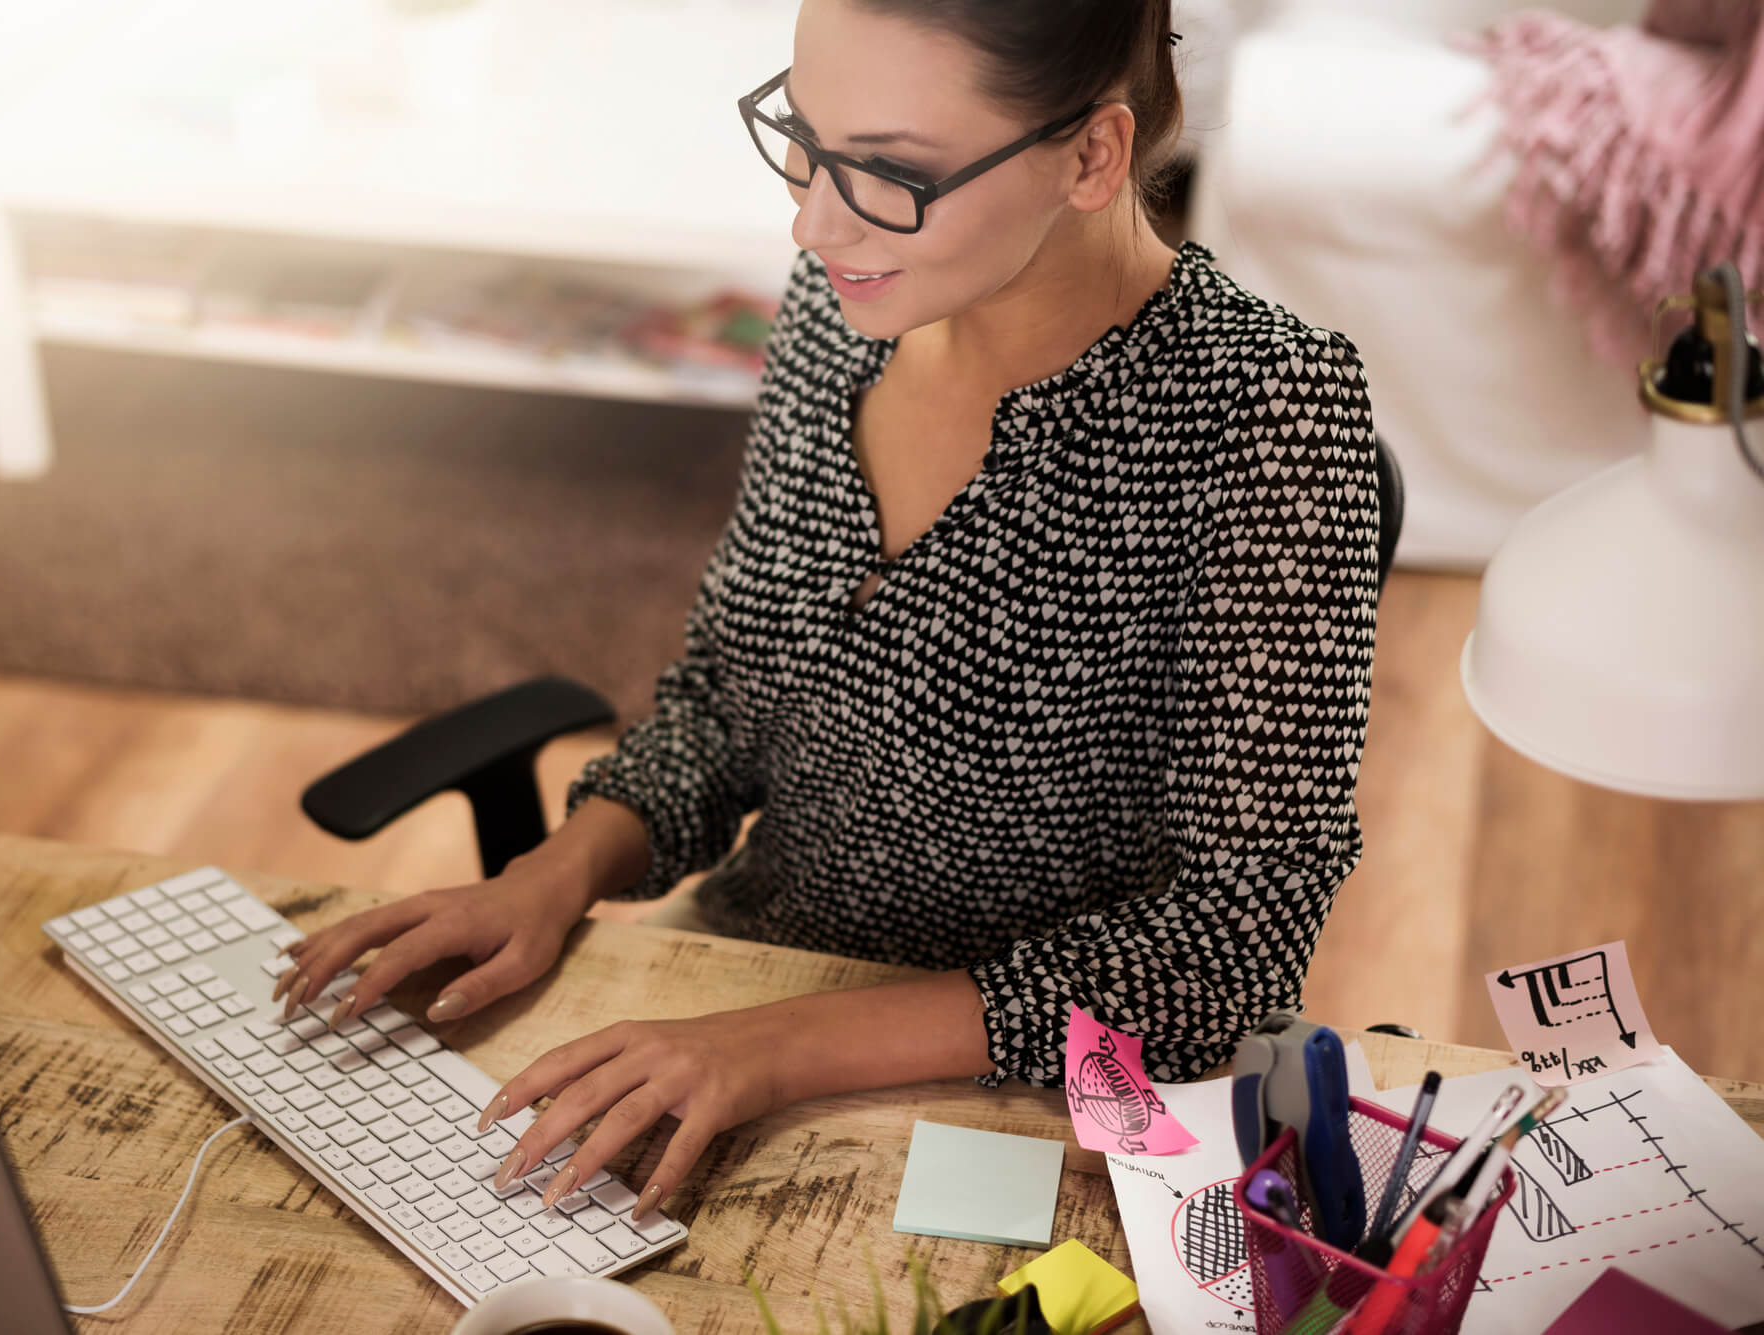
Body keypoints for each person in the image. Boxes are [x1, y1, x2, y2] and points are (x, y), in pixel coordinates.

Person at [279, 0, 1380, 1226]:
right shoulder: (841, 306)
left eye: (891, 172)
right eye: (803, 137)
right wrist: (551, 875)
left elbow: (1232, 939)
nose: (811, 218)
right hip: (737, 982)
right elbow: (725, 701)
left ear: (1090, 157)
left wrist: (774, 1049)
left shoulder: (1266, 416)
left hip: (1031, 1103)